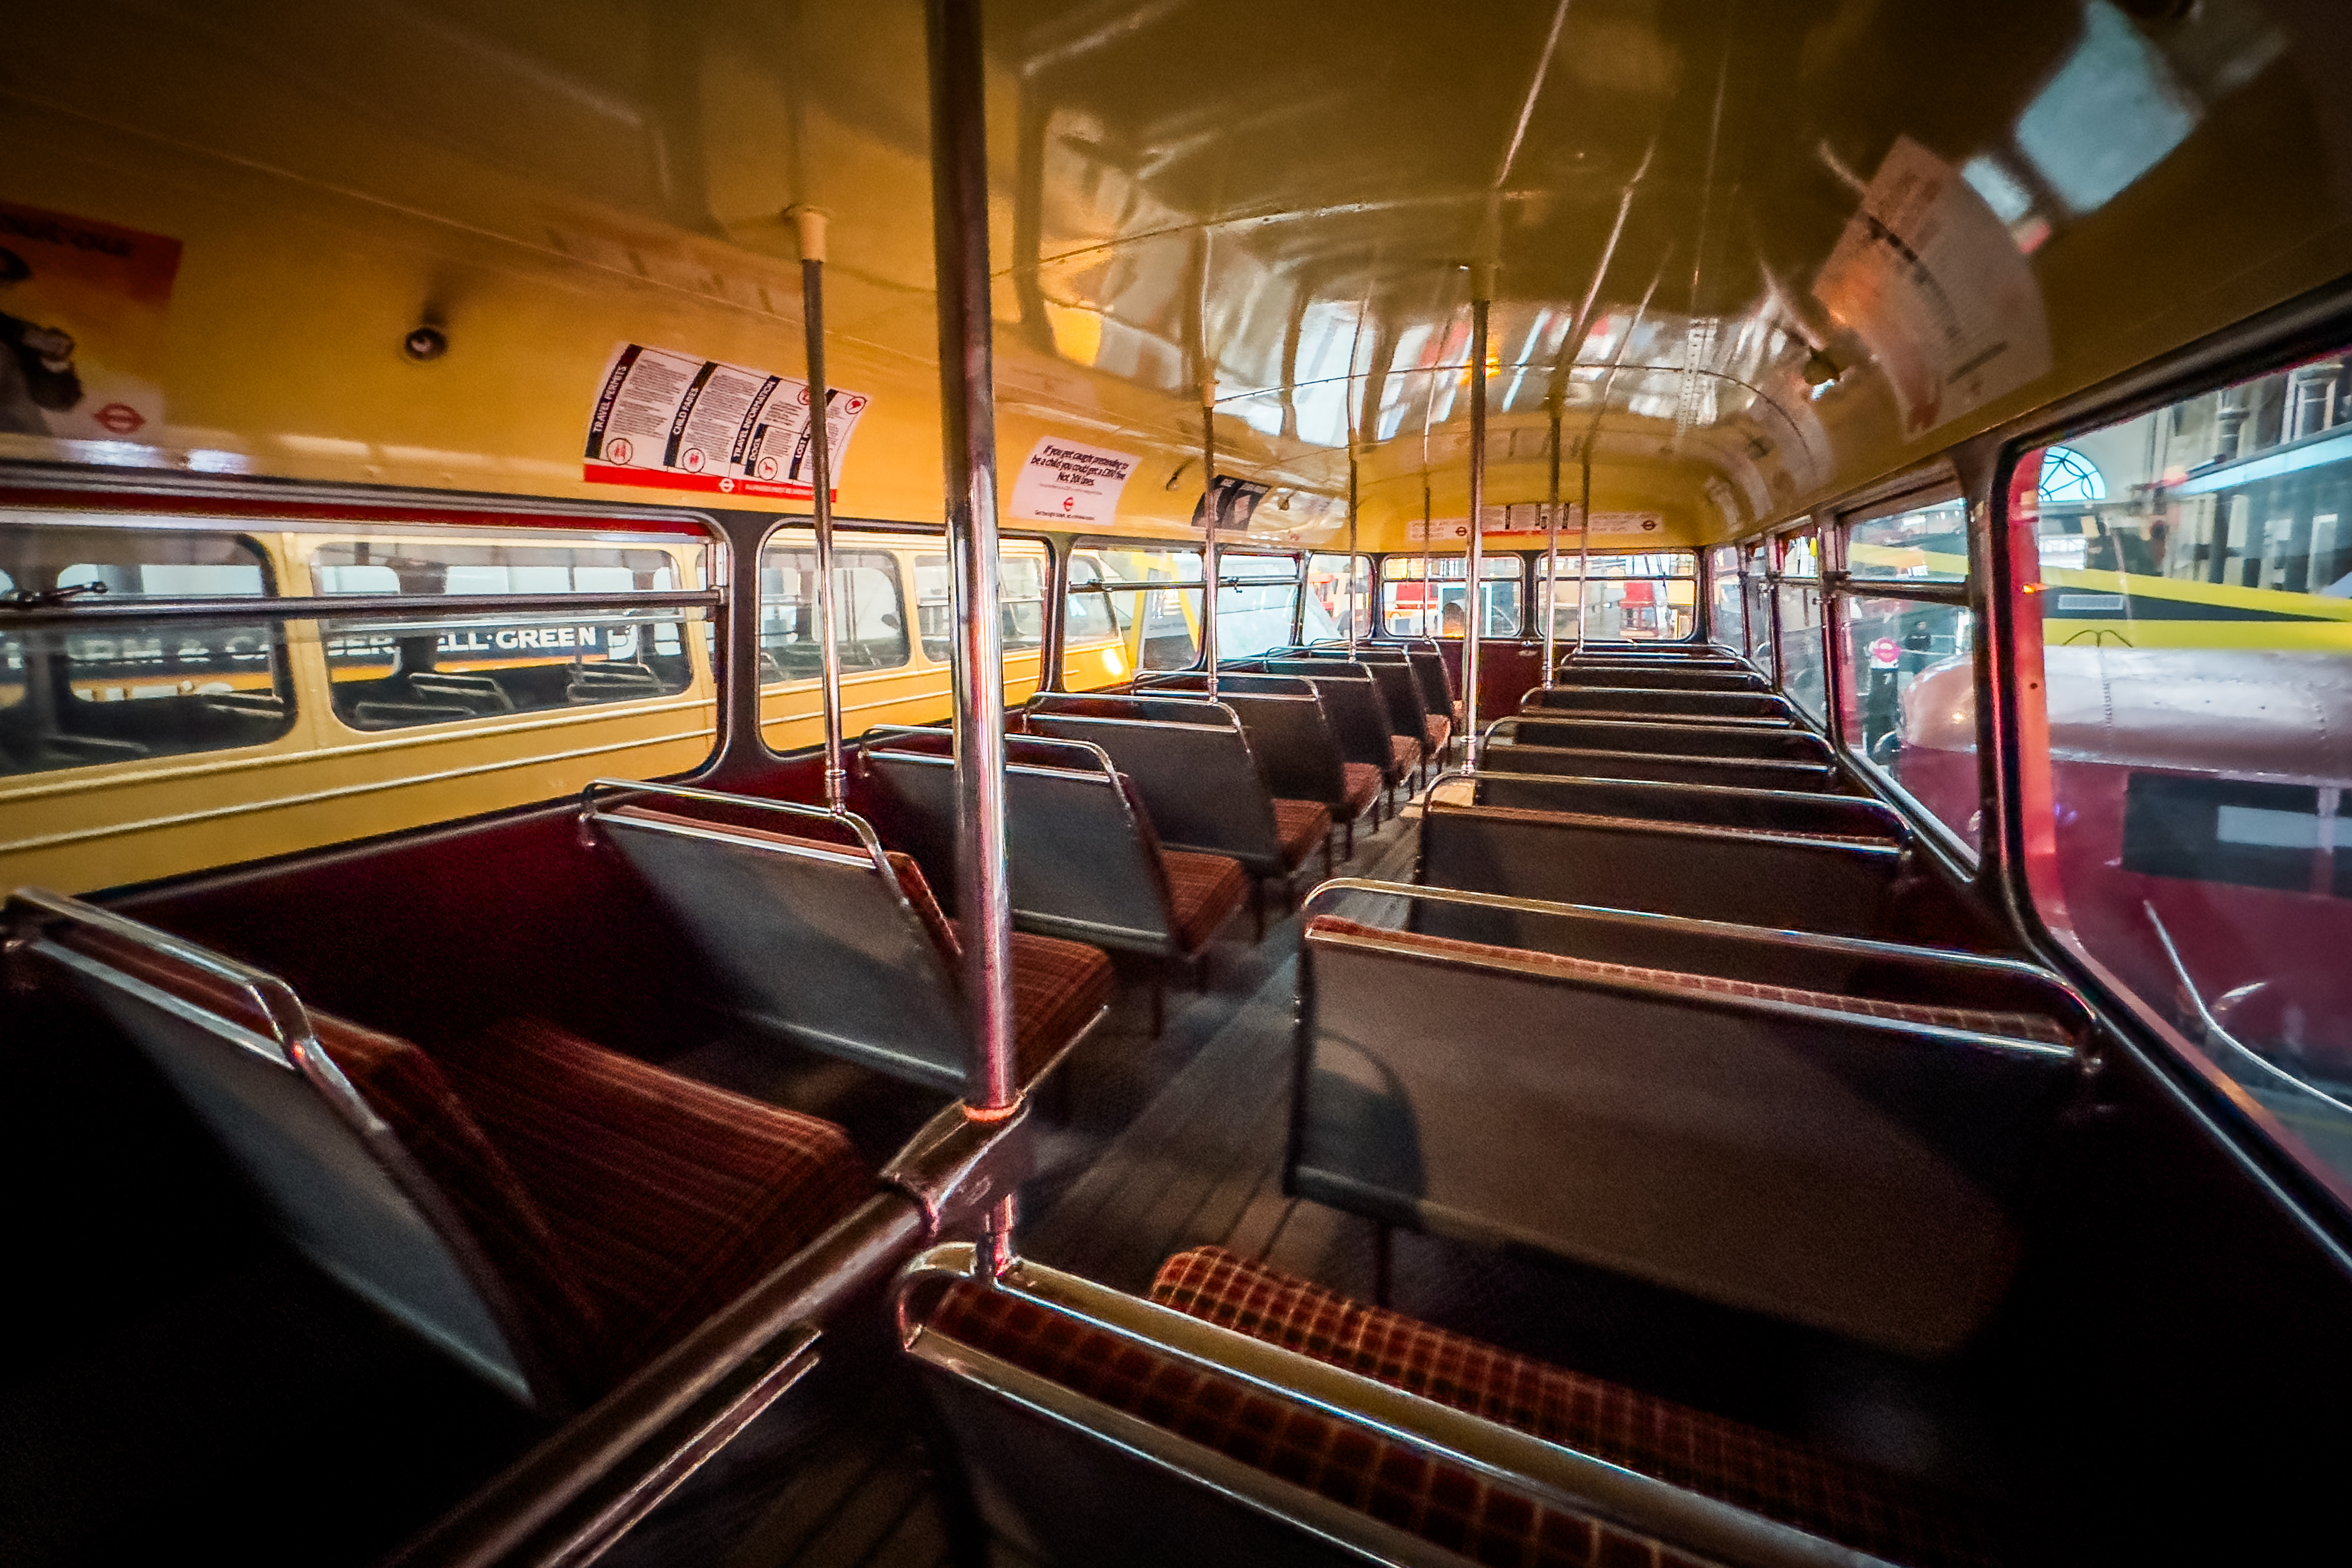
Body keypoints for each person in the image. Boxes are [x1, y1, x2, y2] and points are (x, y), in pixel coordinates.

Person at [0, 247, 83, 434]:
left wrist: (54, 364)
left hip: (18, 442)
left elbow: (58, 402)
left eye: (2, 279)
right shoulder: (21, 333)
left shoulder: (26, 336)